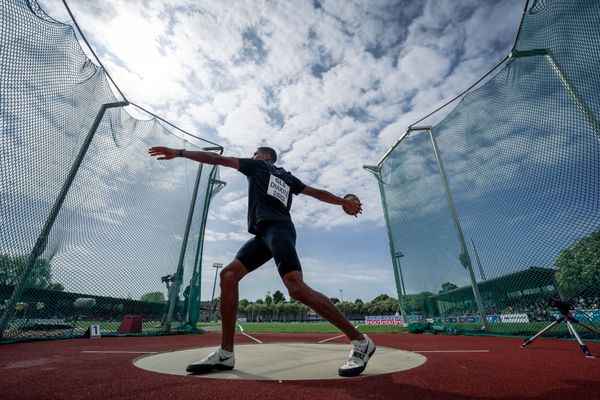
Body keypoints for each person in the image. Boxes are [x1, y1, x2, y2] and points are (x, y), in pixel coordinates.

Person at [148, 145, 375, 377]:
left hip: (280, 229)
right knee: (228, 275)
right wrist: (343, 203)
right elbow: (316, 193)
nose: (252, 156)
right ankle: (226, 353)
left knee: (296, 288)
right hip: (262, 235)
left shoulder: (266, 169)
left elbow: (218, 159)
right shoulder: (279, 175)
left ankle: (360, 341)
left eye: (255, 153)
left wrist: (181, 153)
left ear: (265, 157)